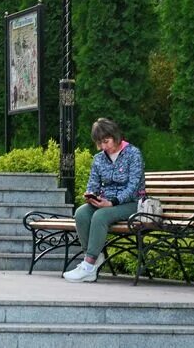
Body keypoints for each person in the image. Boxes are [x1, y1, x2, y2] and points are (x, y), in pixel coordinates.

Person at [63, 118, 146, 283]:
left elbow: (133, 187)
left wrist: (113, 202)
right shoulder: (99, 158)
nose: (103, 147)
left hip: (132, 203)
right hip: (106, 202)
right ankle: (94, 258)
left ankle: (88, 265)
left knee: (101, 216)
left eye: (106, 141)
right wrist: (91, 195)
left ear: (115, 136)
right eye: (99, 143)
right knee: (81, 213)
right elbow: (93, 183)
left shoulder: (133, 154)